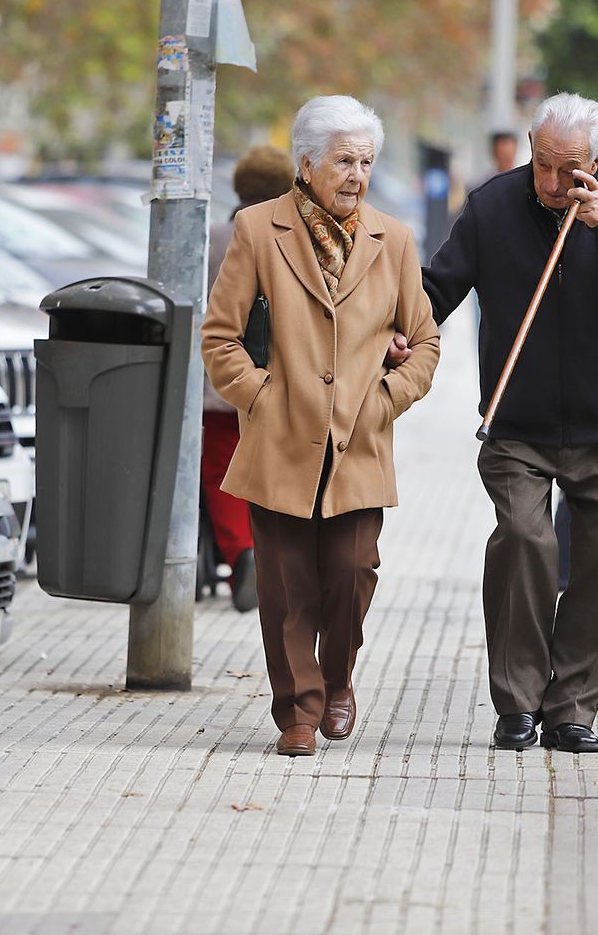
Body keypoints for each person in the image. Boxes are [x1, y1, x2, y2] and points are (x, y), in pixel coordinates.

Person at [413, 92, 598, 754]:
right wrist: (401, 328)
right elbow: (438, 288)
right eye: (544, 166)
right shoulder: (493, 205)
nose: (555, 184)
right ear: (531, 147)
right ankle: (518, 698)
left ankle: (573, 708)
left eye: (571, 170)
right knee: (526, 539)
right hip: (517, 424)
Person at [202, 95, 440, 757]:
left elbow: (424, 341)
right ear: (306, 163)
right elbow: (220, 337)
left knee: (351, 571)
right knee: (284, 587)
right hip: (281, 439)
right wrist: (260, 397)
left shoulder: (394, 239)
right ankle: (299, 712)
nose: (357, 174)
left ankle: (339, 678)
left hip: (360, 443)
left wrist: (388, 397)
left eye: (365, 161)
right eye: (343, 160)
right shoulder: (258, 230)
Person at [203, 146, 294, 612]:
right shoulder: (291, 235)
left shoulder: (218, 236)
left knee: (222, 472)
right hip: (277, 380)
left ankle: (243, 554)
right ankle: (270, 557)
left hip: (221, 384)